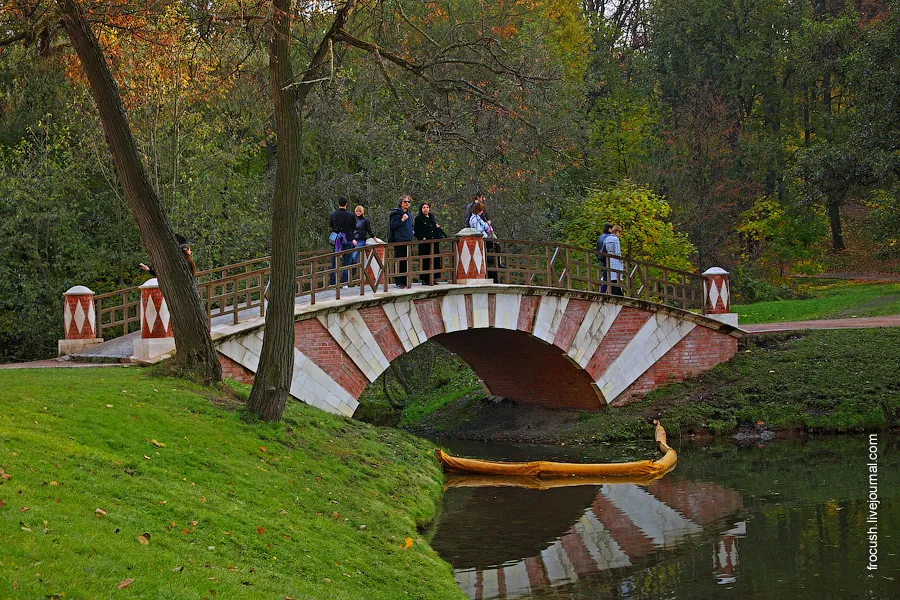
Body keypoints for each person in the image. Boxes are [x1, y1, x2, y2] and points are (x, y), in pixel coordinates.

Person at [414, 201, 444, 285]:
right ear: (421, 209)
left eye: (427, 207)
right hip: (425, 244)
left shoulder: (432, 217)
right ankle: (425, 279)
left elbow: (434, 227)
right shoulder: (418, 218)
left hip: (434, 243)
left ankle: (433, 278)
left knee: (435, 260)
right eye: (424, 207)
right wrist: (422, 237)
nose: (426, 209)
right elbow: (416, 231)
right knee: (426, 261)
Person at [329, 197, 357, 285]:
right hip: (348, 239)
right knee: (347, 262)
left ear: (338, 204)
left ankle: (333, 283)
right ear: (346, 204)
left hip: (337, 239)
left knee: (335, 262)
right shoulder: (351, 215)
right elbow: (353, 227)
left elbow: (331, 225)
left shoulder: (333, 214)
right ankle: (345, 283)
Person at [388, 194, 414, 287]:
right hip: (399, 240)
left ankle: (406, 280)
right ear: (401, 203)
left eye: (408, 202)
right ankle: (399, 281)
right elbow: (393, 225)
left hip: (408, 240)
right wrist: (402, 219)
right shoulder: (396, 213)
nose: (407, 203)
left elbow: (411, 225)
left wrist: (412, 231)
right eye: (405, 202)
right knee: (399, 261)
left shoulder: (409, 214)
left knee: (406, 262)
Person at [602, 225, 624, 296]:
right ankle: (618, 293)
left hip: (609, 260)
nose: (619, 234)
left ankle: (613, 292)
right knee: (616, 277)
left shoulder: (607, 239)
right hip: (616, 261)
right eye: (619, 232)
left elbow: (605, 250)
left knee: (611, 277)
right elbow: (617, 252)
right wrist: (621, 260)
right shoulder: (616, 239)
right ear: (617, 231)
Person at [596, 223, 612, 293]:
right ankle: (605, 291)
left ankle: (603, 291)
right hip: (608, 259)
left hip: (601, 259)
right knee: (610, 277)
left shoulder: (600, 238)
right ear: (609, 229)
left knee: (605, 276)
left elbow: (597, 249)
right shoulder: (609, 237)